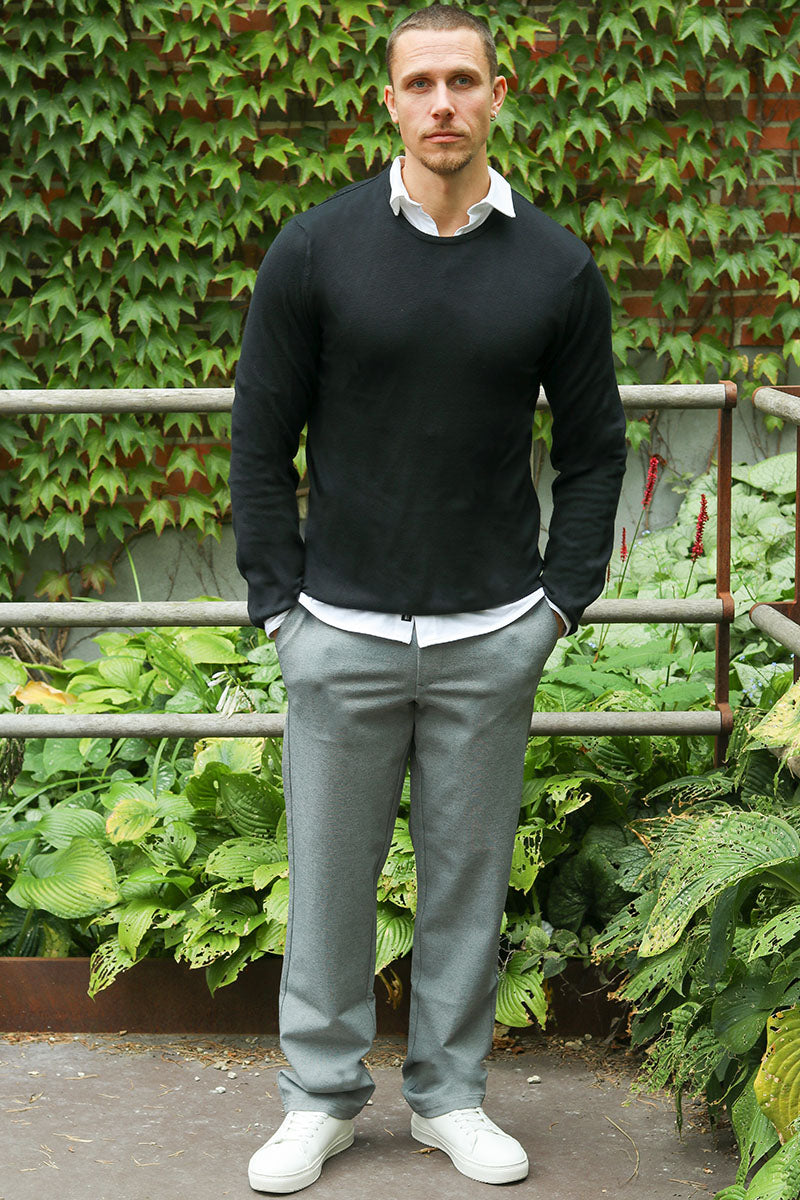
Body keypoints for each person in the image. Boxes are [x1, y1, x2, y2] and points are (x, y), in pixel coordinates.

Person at [229, 3, 626, 1192]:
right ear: (390, 102)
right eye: (420, 83)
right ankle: (319, 1101)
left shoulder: (555, 265)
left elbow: (595, 449)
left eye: (463, 79)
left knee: (465, 884)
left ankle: (449, 1098)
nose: (442, 102)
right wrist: (279, 609)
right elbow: (258, 438)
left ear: (498, 94)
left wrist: (557, 605)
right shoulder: (314, 250)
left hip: (489, 633)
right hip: (337, 632)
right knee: (326, 885)